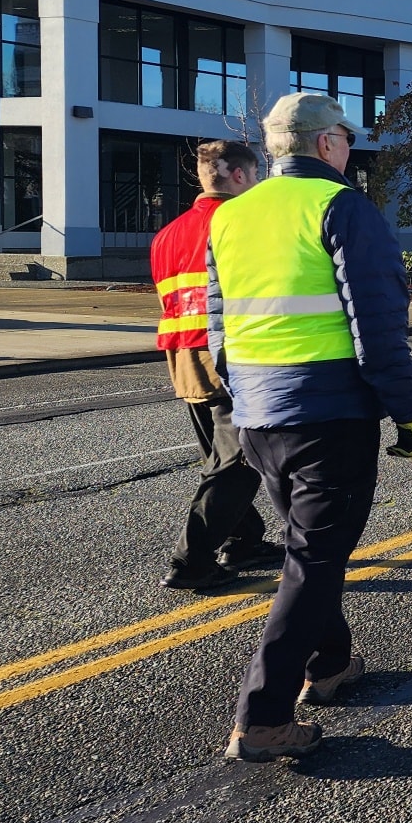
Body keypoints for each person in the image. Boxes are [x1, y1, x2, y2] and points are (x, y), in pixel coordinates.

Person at [207, 93, 412, 762]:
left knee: (309, 551)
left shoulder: (232, 214)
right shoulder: (341, 207)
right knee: (314, 561)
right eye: (346, 138)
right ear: (327, 142)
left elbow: (219, 318)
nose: (350, 148)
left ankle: (329, 663)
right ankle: (263, 716)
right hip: (328, 415)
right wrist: (407, 411)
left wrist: (240, 390)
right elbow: (376, 324)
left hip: (258, 415)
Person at [150, 140, 276, 591]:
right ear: (239, 175)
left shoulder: (167, 234)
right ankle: (192, 561)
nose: (257, 183)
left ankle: (243, 540)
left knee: (219, 456)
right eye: (256, 175)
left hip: (183, 354)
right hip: (231, 353)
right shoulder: (241, 223)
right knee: (238, 462)